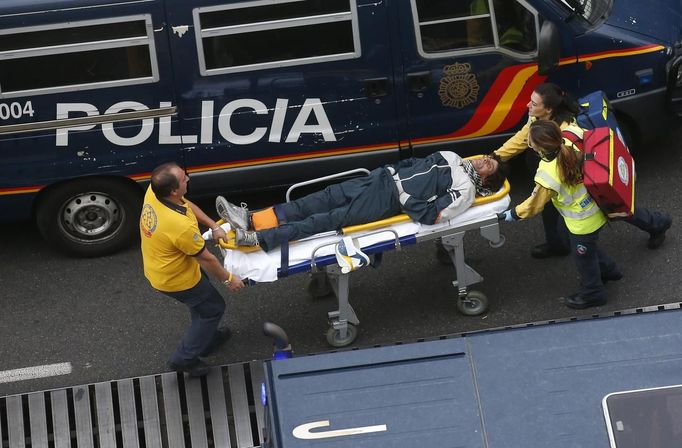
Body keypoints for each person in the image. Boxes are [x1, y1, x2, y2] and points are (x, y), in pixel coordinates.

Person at [493, 82, 672, 258]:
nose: (528, 105)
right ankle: (557, 245)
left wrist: (547, 182)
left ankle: (657, 223)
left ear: (548, 109)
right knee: (550, 209)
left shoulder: (566, 131)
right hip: (559, 180)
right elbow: (523, 136)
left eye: (533, 103)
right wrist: (496, 157)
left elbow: (570, 164)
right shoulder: (538, 119)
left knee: (615, 208)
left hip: (577, 180)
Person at [216, 152, 507, 252]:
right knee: (315, 201)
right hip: (378, 179)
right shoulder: (453, 157)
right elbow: (415, 161)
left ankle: (255, 239)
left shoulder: (465, 190)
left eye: (489, 166)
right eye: (488, 158)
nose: (484, 160)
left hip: (386, 199)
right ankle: (252, 220)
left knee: (323, 221)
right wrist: (392, 170)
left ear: (485, 181)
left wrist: (403, 195)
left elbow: (432, 215)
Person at [500, 121, 622, 309]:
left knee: (583, 258)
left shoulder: (548, 174)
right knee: (589, 248)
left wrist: (513, 214)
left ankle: (593, 293)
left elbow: (534, 204)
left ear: (537, 147)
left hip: (581, 223)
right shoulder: (570, 137)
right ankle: (609, 270)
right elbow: (576, 126)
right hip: (598, 208)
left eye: (529, 140)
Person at [140, 162, 245, 377]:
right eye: (183, 179)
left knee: (202, 306)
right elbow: (207, 260)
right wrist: (229, 280)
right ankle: (184, 360)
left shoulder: (155, 192)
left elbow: (187, 205)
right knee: (213, 308)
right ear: (173, 190)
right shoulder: (178, 227)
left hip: (164, 268)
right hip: (176, 279)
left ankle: (206, 340)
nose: (188, 179)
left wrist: (214, 226)